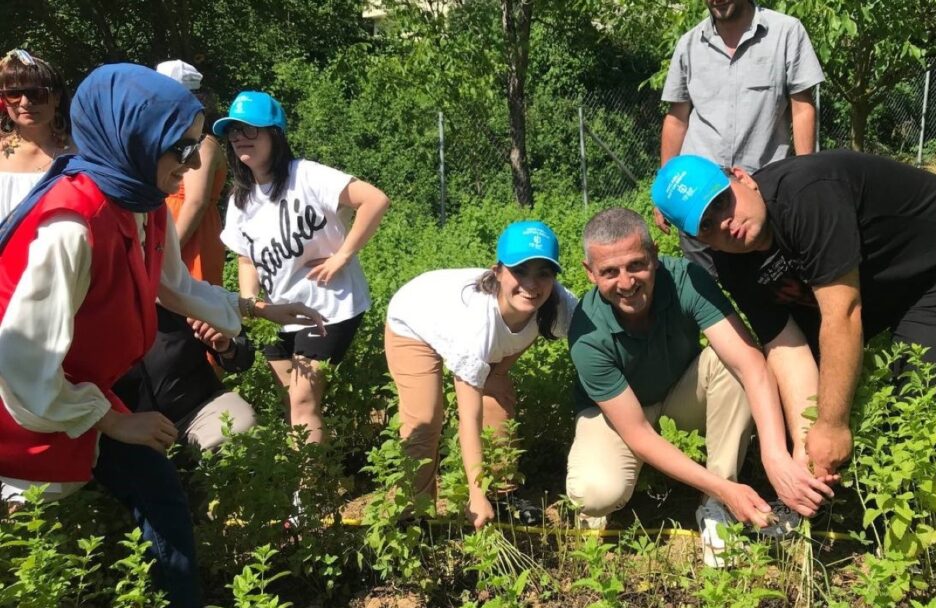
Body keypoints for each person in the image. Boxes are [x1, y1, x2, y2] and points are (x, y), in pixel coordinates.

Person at [0, 63, 324, 608]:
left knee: (158, 488)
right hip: (24, 400)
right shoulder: (72, 224)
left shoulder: (141, 199)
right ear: (131, 138)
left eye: (195, 143)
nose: (196, 163)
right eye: (180, 146)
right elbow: (20, 364)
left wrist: (256, 309)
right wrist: (114, 422)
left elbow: (172, 284)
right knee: (24, 511)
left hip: (85, 386)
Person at [652, 152, 936, 483]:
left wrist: (831, 426)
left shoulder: (805, 196)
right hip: (864, 280)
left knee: (915, 395)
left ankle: (933, 493)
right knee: (806, 405)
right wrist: (807, 443)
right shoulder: (730, 261)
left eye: (722, 202)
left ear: (742, 178)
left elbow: (842, 314)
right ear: (697, 241)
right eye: (706, 225)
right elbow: (785, 343)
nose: (724, 223)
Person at [566, 208, 835, 567]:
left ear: (655, 257)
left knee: (733, 363)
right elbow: (639, 432)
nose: (627, 282)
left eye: (636, 265)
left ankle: (716, 507)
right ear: (589, 273)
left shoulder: (685, 280)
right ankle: (719, 490)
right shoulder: (587, 334)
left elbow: (751, 364)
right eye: (609, 272)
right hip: (618, 417)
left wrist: (776, 457)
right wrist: (722, 485)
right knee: (595, 494)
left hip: (680, 394)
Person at [217, 91, 390, 446]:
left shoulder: (306, 175)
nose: (239, 138)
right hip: (281, 311)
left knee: (302, 399)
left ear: (274, 135)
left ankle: (309, 499)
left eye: (250, 129)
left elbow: (374, 199)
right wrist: (251, 303)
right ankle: (315, 475)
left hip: (328, 307)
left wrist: (342, 256)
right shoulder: (240, 199)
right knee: (291, 402)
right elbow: (246, 257)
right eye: (233, 131)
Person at [385, 221, 577, 529]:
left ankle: (502, 494)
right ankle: (413, 511)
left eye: (544, 272)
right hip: (415, 322)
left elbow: (597, 332)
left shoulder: (557, 302)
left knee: (497, 397)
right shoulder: (476, 323)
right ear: (498, 271)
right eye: (520, 270)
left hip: (481, 337)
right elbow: (468, 418)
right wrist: (474, 493)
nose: (532, 283)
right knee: (426, 419)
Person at [657, 0, 823, 276]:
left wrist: (805, 178)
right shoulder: (689, 45)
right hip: (698, 199)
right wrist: (666, 189)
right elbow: (677, 118)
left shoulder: (786, 32)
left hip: (758, 197)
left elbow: (802, 107)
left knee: (778, 286)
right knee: (705, 295)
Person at [113, 306, 257, 454]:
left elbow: (243, 352)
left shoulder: (174, 297)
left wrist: (228, 347)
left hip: (200, 409)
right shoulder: (92, 324)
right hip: (126, 428)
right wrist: (115, 422)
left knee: (238, 429)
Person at [155, 60, 230, 285]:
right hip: (164, 230)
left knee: (192, 312)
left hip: (189, 236)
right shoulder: (166, 140)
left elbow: (196, 202)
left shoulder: (204, 144)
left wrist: (166, 255)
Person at [0, 50, 73, 222]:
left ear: (56, 97)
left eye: (36, 94)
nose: (25, 103)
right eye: (14, 94)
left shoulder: (82, 152)